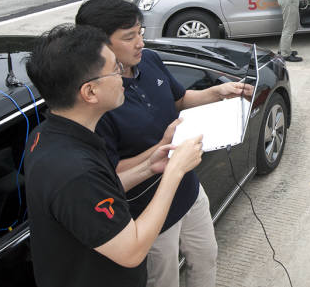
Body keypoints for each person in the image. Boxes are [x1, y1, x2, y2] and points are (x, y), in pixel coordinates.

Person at [75, 0, 250, 287]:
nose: (140, 43)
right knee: (163, 279)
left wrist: (218, 92)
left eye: (141, 33)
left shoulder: (151, 61)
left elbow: (180, 99)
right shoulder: (98, 101)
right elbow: (111, 174)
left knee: (206, 257)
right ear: (100, 45)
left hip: (189, 190)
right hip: (146, 212)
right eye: (130, 37)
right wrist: (162, 149)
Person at [24, 24, 203, 287]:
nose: (123, 76)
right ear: (90, 92)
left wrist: (149, 168)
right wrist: (175, 171)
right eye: (115, 69)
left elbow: (97, 191)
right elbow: (131, 251)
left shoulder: (50, 134)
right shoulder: (73, 170)